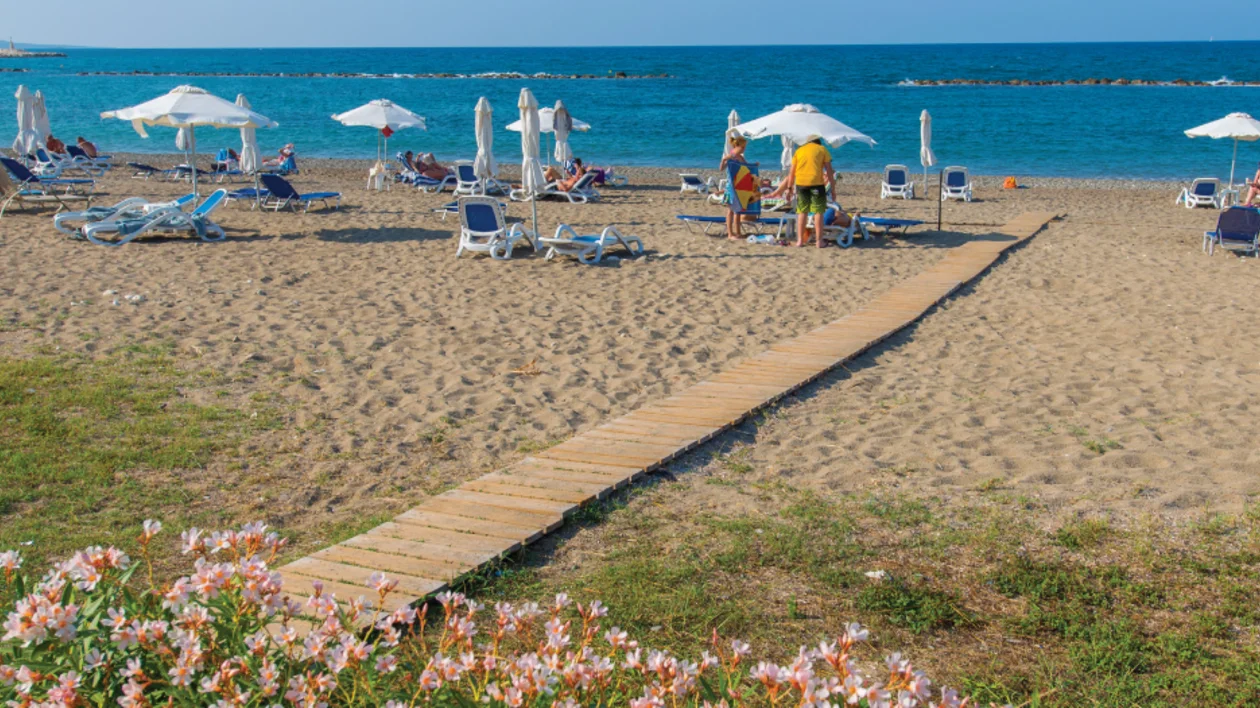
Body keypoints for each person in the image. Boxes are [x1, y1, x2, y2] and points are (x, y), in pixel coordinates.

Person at [767, 135, 835, 248]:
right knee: (818, 211)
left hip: (801, 184)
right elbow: (829, 171)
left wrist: (789, 188)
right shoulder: (822, 149)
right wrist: (832, 188)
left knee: (802, 211)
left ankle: (800, 241)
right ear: (818, 142)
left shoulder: (799, 151)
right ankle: (819, 241)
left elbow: (791, 172)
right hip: (816, 184)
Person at [718, 134, 758, 241]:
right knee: (731, 210)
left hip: (739, 187)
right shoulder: (732, 156)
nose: (744, 149)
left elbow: (748, 168)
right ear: (738, 146)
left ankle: (738, 233)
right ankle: (730, 234)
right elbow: (721, 168)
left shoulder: (740, 157)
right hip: (731, 187)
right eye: (743, 147)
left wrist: (754, 165)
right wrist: (723, 160)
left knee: (738, 211)